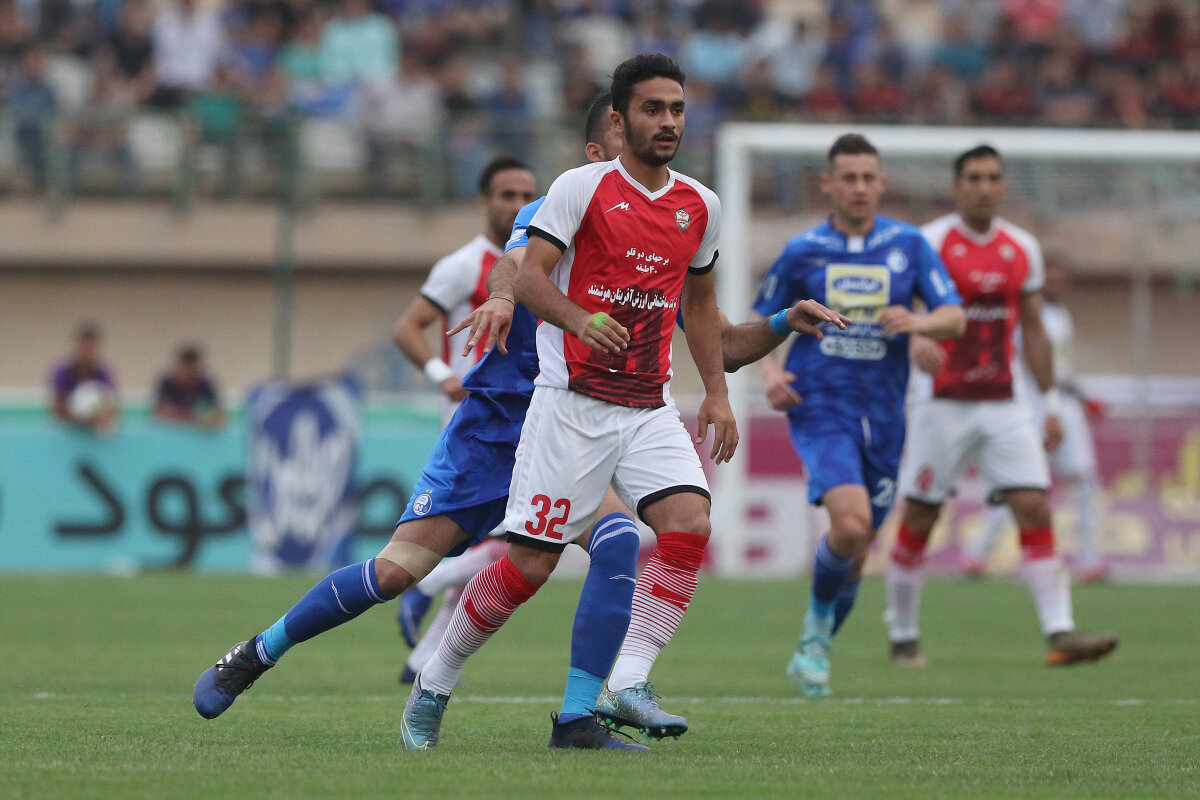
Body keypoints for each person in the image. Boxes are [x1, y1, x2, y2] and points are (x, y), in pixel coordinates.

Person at [192, 86, 845, 751]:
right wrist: (503, 301)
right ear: (599, 149)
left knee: (620, 540)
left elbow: (719, 340)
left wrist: (780, 324)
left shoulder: (664, 230)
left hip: (581, 424)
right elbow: (512, 266)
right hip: (498, 428)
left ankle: (581, 713)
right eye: (631, 137)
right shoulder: (564, 204)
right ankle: (257, 653)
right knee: (396, 571)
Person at [398, 52, 736, 749]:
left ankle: (626, 685)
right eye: (652, 109)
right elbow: (529, 278)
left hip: (647, 404)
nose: (668, 122)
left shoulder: (701, 205)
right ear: (619, 119)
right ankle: (434, 679)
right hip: (570, 406)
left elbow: (701, 308)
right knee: (529, 566)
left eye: (676, 109)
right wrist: (580, 320)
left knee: (689, 522)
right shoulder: (580, 189)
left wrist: (718, 392)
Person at [887, 145, 1118, 667]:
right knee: (921, 516)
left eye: (992, 178)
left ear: (1004, 186)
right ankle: (902, 634)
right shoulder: (930, 241)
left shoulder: (1022, 247)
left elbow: (1033, 330)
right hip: (940, 400)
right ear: (956, 186)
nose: (984, 187)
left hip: (1004, 401)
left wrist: (1050, 402)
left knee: (1034, 504)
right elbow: (901, 306)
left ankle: (1060, 631)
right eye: (974, 178)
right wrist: (916, 338)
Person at [753, 132, 966, 698]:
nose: (859, 187)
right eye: (848, 178)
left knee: (859, 546)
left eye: (869, 178)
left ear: (882, 183)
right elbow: (758, 321)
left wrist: (919, 325)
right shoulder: (803, 250)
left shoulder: (909, 245)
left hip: (886, 412)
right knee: (849, 526)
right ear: (828, 184)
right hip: (821, 405)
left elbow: (954, 316)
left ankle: (814, 644)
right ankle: (815, 641)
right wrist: (770, 374)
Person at [392, 154, 536, 426]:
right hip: (473, 421)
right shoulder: (464, 264)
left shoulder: (541, 263)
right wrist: (444, 377)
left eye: (527, 197)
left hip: (525, 415)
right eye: (508, 195)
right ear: (483, 202)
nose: (519, 206)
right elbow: (406, 328)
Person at [50, 322, 119, 434]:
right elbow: (59, 409)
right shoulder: (63, 373)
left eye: (91, 348)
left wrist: (102, 415)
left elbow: (112, 406)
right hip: (69, 430)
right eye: (84, 347)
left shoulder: (103, 373)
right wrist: (84, 418)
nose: (87, 352)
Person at [153, 344, 225, 428]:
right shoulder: (167, 382)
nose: (188, 375)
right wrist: (193, 416)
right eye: (185, 370)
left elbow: (218, 413)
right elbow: (160, 411)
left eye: (192, 371)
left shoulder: (203, 383)